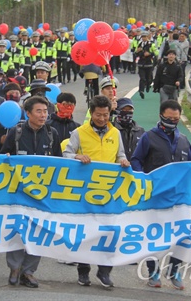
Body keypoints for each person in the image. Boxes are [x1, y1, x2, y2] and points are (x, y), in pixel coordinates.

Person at [131, 99, 191, 290]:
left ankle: (174, 269)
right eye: (168, 118)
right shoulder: (149, 137)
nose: (172, 121)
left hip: (179, 199)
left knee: (183, 235)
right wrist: (145, 180)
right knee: (154, 236)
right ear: (161, 116)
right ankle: (153, 272)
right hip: (155, 198)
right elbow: (136, 160)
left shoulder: (184, 140)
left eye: (176, 119)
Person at [63, 95, 129, 288]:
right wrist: (77, 156)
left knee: (109, 233)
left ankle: (104, 271)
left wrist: (123, 162)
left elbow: (121, 154)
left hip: (109, 193)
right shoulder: (78, 132)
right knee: (86, 233)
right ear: (91, 113)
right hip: (84, 193)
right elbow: (65, 155)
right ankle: (83, 272)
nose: (102, 119)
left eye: (105, 115)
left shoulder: (115, 133)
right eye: (98, 115)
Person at [0, 96, 62, 289]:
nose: (43, 115)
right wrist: (7, 157)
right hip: (18, 193)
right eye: (39, 111)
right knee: (18, 231)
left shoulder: (52, 134)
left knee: (38, 233)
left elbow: (60, 163)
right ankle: (15, 268)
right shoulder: (16, 133)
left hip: (42, 195)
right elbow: (3, 157)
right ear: (28, 113)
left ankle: (29, 272)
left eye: (45, 111)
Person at [134, 31, 158, 99]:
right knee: (142, 78)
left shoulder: (151, 44)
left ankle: (148, 85)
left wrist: (149, 53)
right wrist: (137, 51)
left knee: (149, 79)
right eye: (142, 37)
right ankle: (141, 90)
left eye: (145, 37)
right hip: (141, 64)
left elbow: (156, 53)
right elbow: (136, 54)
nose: (144, 38)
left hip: (149, 64)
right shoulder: (139, 44)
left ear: (147, 37)